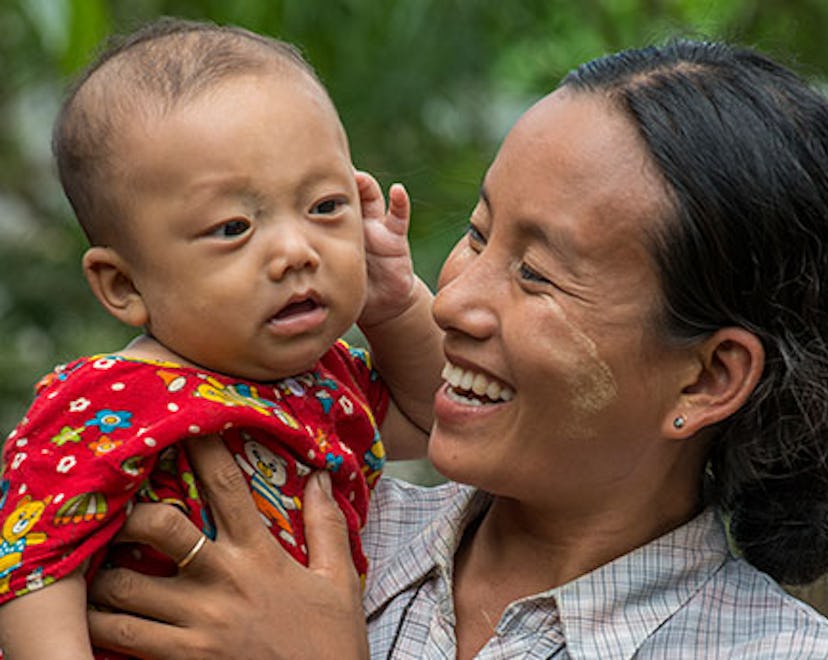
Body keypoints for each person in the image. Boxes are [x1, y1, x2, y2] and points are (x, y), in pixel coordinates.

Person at [85, 38, 828, 659]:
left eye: (536, 275)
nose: (453, 301)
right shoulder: (292, 523)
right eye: (478, 233)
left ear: (707, 378)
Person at [0, 18, 444, 660]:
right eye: (234, 227)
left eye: (324, 206)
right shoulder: (104, 402)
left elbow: (433, 418)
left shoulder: (327, 383)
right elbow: (34, 560)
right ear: (123, 285)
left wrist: (395, 303)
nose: (296, 251)